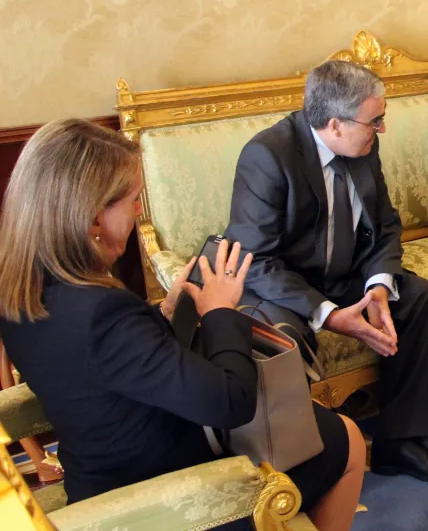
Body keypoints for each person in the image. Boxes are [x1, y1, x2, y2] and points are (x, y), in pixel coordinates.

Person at [0, 119, 365, 531]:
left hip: (99, 466)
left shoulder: (22, 292)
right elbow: (231, 404)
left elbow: (100, 368)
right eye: (133, 200)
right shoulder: (102, 312)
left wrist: (163, 316)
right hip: (155, 498)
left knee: (310, 420)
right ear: (92, 220)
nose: (140, 211)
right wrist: (220, 312)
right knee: (346, 438)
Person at [223, 60, 428, 482]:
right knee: (282, 338)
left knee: (414, 296)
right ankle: (299, 467)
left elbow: (386, 224)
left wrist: (377, 286)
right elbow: (256, 261)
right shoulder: (267, 155)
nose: (382, 129)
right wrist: (329, 314)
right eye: (376, 121)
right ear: (335, 125)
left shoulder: (361, 146)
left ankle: (400, 442)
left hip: (344, 272)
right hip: (284, 285)